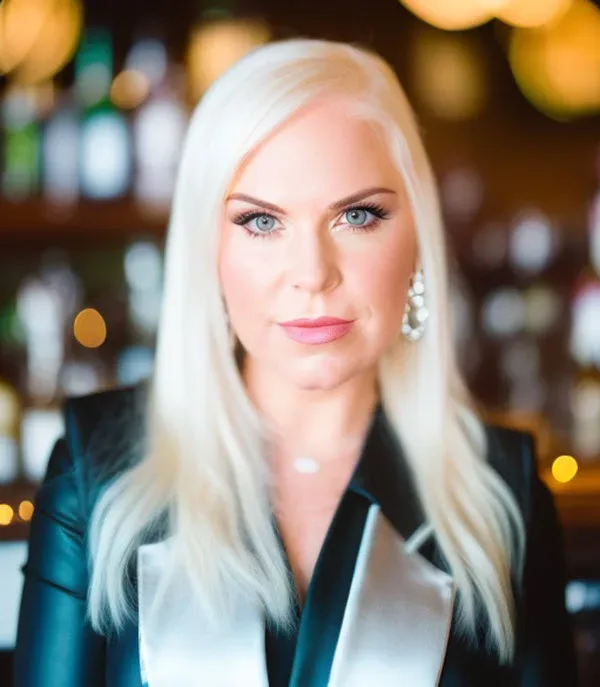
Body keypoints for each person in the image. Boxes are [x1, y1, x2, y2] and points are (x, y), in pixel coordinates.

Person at [14, 38, 577, 686]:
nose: (312, 274)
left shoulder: (502, 495)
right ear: (208, 248)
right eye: (261, 222)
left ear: (418, 235)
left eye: (357, 215)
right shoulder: (98, 473)